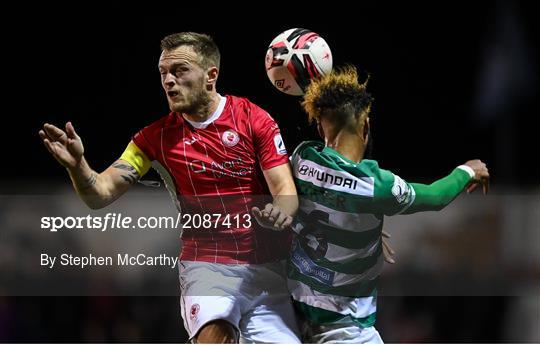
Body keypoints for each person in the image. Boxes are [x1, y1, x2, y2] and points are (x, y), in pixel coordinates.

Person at [39, 32, 301, 343]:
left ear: (210, 75)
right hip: (207, 267)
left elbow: (284, 189)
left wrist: (281, 212)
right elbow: (100, 194)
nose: (168, 81)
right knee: (215, 335)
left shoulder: (253, 119)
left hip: (266, 270)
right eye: (163, 72)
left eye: (179, 70)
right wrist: (78, 167)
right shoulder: (153, 139)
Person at [284, 65, 490, 343]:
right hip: (345, 330)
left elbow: (312, 201)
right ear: (366, 124)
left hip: (292, 318)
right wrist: (467, 171)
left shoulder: (302, 158)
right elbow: (436, 196)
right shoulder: (376, 185)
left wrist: (361, 226)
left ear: (320, 126)